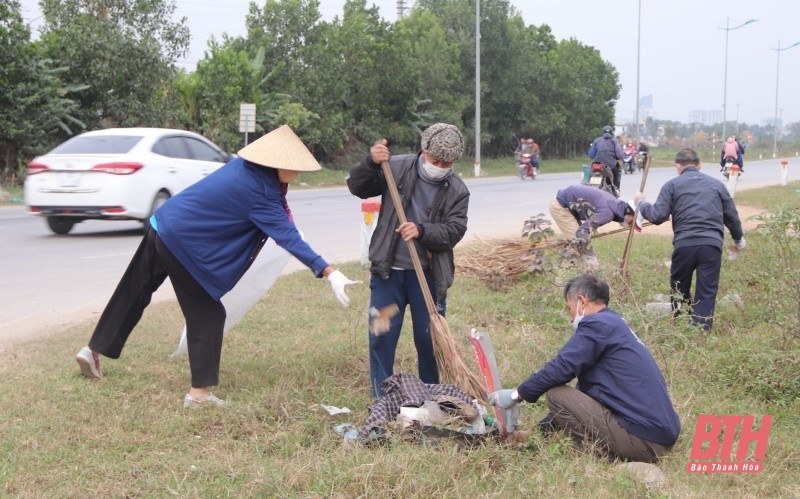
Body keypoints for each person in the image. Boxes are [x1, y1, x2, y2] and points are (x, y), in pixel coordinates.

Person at [75, 125, 360, 407]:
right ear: (276, 164)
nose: (297, 175)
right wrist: (329, 271)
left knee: (134, 290)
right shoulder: (259, 191)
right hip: (182, 243)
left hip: (162, 224)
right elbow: (288, 237)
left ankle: (93, 349)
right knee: (208, 314)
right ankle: (199, 395)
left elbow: (280, 221)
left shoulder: (243, 168)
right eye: (294, 168)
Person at [489, 274, 681, 462]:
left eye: (569, 308)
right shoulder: (614, 323)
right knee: (569, 396)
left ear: (582, 301)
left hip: (643, 441)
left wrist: (517, 394)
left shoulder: (597, 324)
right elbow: (583, 398)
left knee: (557, 394)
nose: (570, 316)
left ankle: (599, 455)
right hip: (658, 438)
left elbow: (561, 367)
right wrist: (535, 433)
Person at [347, 123, 470, 397]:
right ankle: (383, 394)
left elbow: (455, 230)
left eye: (447, 163)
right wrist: (370, 162)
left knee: (429, 339)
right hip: (388, 274)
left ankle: (430, 392)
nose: (440, 166)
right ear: (423, 151)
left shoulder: (457, 190)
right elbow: (357, 187)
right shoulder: (396, 167)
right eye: (435, 160)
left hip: (427, 277)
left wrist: (422, 231)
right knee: (382, 333)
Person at [634, 148, 745, 331]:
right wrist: (738, 239)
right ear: (699, 165)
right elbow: (731, 216)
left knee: (679, 286)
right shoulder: (717, 185)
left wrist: (642, 203)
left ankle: (681, 326)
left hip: (684, 245)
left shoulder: (672, 185)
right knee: (707, 290)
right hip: (711, 245)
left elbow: (657, 216)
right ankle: (700, 331)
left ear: (677, 166)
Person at [549, 184, 636, 269]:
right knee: (578, 245)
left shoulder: (616, 204)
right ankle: (566, 273)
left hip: (568, 202)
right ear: (628, 211)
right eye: (631, 222)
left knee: (578, 247)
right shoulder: (607, 213)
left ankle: (570, 270)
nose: (630, 226)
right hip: (560, 206)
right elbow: (582, 232)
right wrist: (590, 256)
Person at [589, 126, 624, 192]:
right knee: (617, 172)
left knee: (590, 172)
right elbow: (619, 155)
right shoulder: (614, 141)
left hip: (597, 165)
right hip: (610, 166)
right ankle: (615, 189)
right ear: (611, 133)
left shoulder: (596, 140)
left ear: (603, 133)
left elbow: (591, 155)